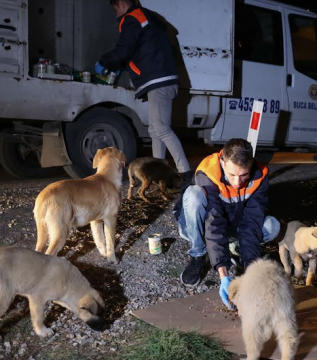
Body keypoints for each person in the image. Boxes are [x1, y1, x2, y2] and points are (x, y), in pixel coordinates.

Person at [173, 139, 281, 309]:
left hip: (233, 221)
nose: (237, 183)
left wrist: (250, 271)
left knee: (272, 226)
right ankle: (198, 255)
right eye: (232, 175)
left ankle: (236, 248)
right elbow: (213, 223)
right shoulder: (208, 172)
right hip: (199, 226)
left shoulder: (261, 174)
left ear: (251, 164)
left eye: (243, 175)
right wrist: (223, 275)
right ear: (222, 162)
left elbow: (251, 221)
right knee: (193, 195)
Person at [96, 0, 191, 180]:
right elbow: (143, 50)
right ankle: (158, 170)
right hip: (160, 78)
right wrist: (121, 64)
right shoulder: (147, 18)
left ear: (122, 3)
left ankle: (185, 172)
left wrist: (104, 61)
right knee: (155, 129)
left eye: (115, 8)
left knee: (161, 128)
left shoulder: (132, 18)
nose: (116, 13)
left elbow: (124, 49)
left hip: (160, 80)